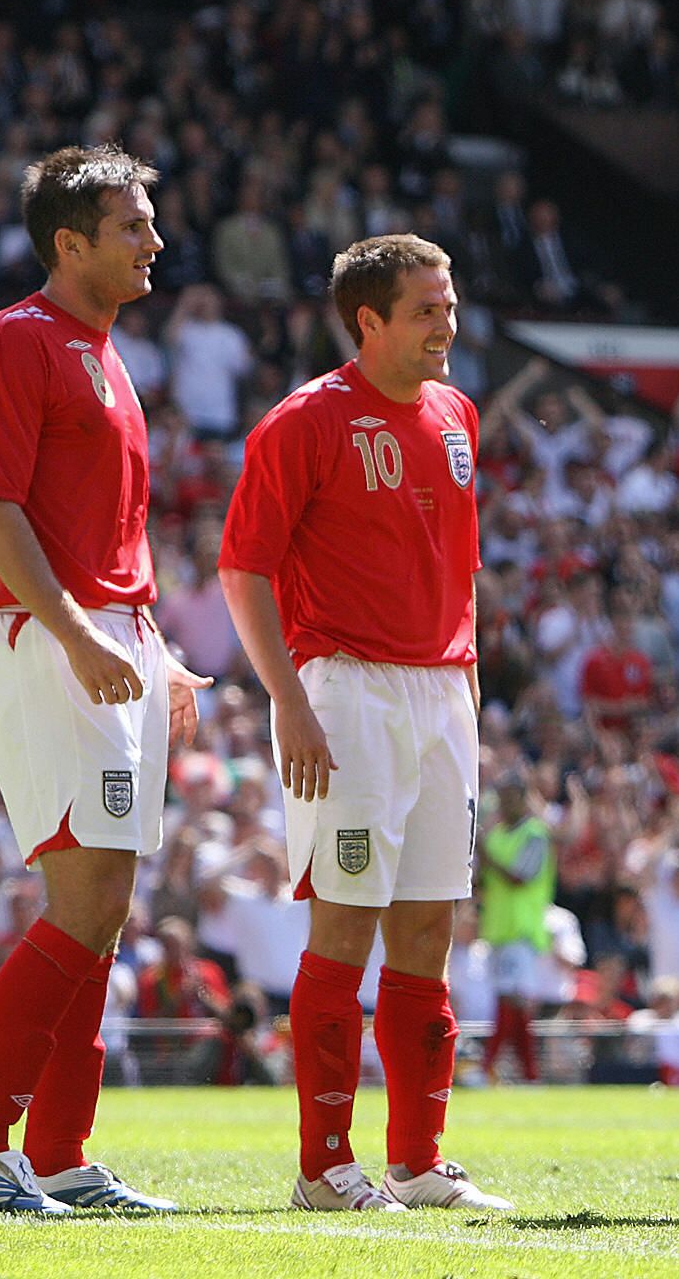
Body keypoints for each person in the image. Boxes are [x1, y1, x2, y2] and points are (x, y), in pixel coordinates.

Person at [0, 144, 212, 1215]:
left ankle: (59, 1153)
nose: (155, 241)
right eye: (133, 225)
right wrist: (83, 630)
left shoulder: (108, 355)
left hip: (108, 638)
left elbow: (107, 531)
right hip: (48, 642)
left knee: (108, 907)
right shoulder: (15, 343)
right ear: (69, 242)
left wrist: (150, 642)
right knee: (86, 896)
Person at [219, 233, 509, 1213]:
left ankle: (418, 1159)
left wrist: (467, 684)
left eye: (451, 301)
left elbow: (458, 566)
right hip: (344, 687)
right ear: (368, 320)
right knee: (343, 921)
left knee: (428, 921)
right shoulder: (305, 420)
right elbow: (242, 567)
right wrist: (289, 697)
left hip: (443, 689)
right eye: (426, 308)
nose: (447, 323)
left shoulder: (457, 414)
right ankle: (321, 1163)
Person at [479, 775, 553, 1084]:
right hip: (497, 929)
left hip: (521, 931)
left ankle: (489, 1069)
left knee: (511, 1001)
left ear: (523, 798)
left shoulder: (535, 834)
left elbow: (521, 876)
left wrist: (486, 857)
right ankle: (528, 1074)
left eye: (510, 797)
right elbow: (483, 882)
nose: (504, 804)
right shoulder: (496, 835)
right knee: (510, 1001)